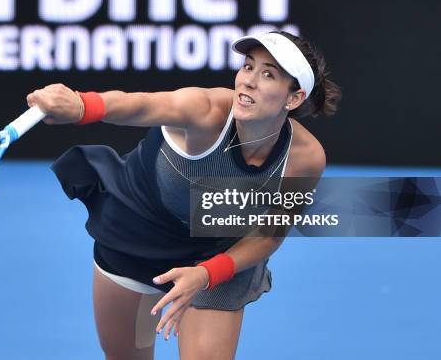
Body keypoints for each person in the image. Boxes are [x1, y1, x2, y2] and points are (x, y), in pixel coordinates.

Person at [27, 31, 341, 360]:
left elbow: (267, 237)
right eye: (248, 67)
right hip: (138, 231)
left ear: (294, 98)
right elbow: (140, 105)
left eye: (268, 74)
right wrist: (80, 105)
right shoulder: (206, 110)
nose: (248, 81)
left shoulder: (305, 158)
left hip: (216, 252)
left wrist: (207, 273)